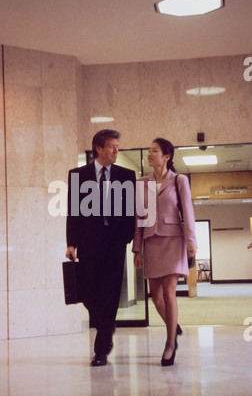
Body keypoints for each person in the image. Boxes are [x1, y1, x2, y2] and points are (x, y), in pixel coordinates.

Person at [66, 129, 136, 366]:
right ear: (98, 148)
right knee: (89, 293)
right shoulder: (78, 175)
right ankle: (107, 324)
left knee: (111, 293)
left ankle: (101, 349)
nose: (116, 151)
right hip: (88, 243)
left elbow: (129, 212)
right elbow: (73, 211)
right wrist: (71, 243)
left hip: (114, 244)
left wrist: (126, 238)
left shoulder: (126, 176)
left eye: (117, 146)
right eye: (111, 147)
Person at [133, 138, 197, 366]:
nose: (149, 154)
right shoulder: (142, 183)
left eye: (154, 151)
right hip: (151, 242)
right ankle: (173, 325)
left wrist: (191, 242)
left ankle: (170, 344)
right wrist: (137, 249)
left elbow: (188, 212)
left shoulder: (179, 180)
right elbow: (139, 219)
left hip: (173, 240)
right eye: (148, 151)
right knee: (156, 295)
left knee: (169, 292)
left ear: (166, 156)